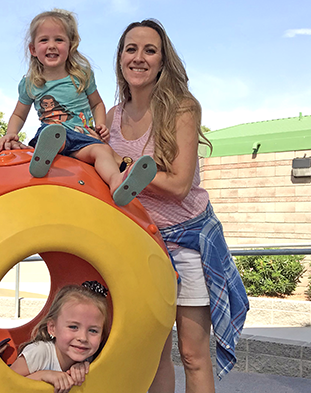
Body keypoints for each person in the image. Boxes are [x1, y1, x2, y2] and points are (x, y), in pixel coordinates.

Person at [106, 20, 250, 393]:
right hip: (142, 243)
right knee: (153, 353)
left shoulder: (182, 108)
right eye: (131, 49)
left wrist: (127, 167)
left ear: (162, 61)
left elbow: (180, 185)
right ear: (120, 58)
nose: (139, 57)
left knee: (192, 353)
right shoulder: (112, 117)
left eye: (149, 50)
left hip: (186, 242)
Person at [0, 9, 156, 206]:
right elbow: (18, 114)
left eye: (58, 40)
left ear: (70, 45)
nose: (51, 45)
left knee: (102, 152)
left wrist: (100, 125)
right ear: (33, 49)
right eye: (44, 40)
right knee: (53, 134)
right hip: (51, 136)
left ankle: (117, 182)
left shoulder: (81, 75)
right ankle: (44, 160)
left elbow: (97, 103)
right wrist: (11, 133)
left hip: (81, 136)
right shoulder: (31, 83)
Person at [10, 281, 109, 393]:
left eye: (93, 330)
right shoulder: (39, 353)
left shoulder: (92, 359)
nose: (83, 338)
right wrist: (42, 376)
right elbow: (5, 385)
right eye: (73, 327)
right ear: (52, 328)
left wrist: (84, 368)